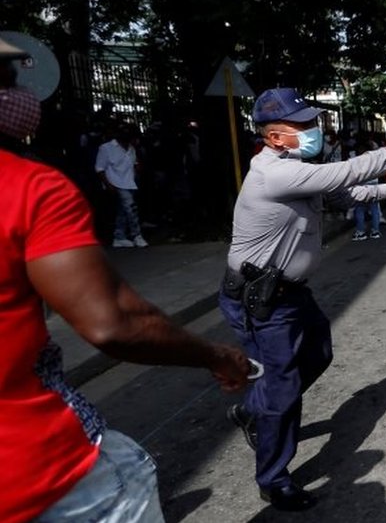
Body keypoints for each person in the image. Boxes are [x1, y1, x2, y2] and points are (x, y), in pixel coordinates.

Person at [0, 59, 250, 523]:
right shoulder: (27, 187)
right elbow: (112, 321)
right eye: (9, 81)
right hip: (40, 472)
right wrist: (217, 356)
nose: (19, 95)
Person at [219, 87, 386, 511]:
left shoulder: (298, 168)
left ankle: (254, 410)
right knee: (281, 388)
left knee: (318, 354)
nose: (313, 129)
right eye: (302, 124)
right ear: (275, 136)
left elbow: (347, 194)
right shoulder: (273, 174)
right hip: (262, 299)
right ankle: (274, 477)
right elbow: (346, 173)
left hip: (290, 294)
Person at [96, 122, 149, 248]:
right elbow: (99, 168)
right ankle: (137, 235)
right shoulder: (106, 148)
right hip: (116, 182)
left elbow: (134, 163)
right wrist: (108, 184)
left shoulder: (131, 148)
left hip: (129, 182)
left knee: (123, 210)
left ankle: (119, 236)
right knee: (131, 208)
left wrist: (137, 170)